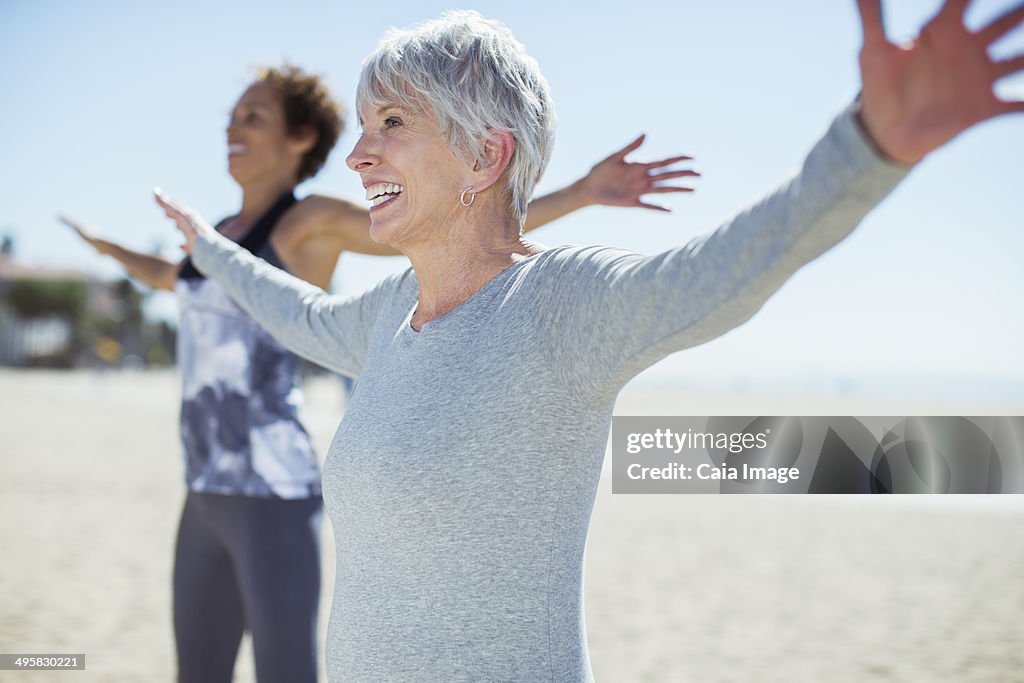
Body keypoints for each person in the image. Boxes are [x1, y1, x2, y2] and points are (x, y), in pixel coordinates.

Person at [156, 2, 1024, 680]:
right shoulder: (388, 315)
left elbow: (727, 270)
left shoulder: (562, 305)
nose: (360, 155)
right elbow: (294, 311)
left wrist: (869, 149)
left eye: (391, 124)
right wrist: (207, 245)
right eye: (363, 126)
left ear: (483, 158)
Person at [62, 63, 695, 683]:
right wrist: (105, 247)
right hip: (203, 476)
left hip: (274, 482)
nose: (234, 127)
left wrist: (580, 193)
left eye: (253, 117)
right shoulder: (220, 235)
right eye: (232, 116)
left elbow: (456, 216)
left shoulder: (308, 221)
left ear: (300, 138)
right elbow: (169, 277)